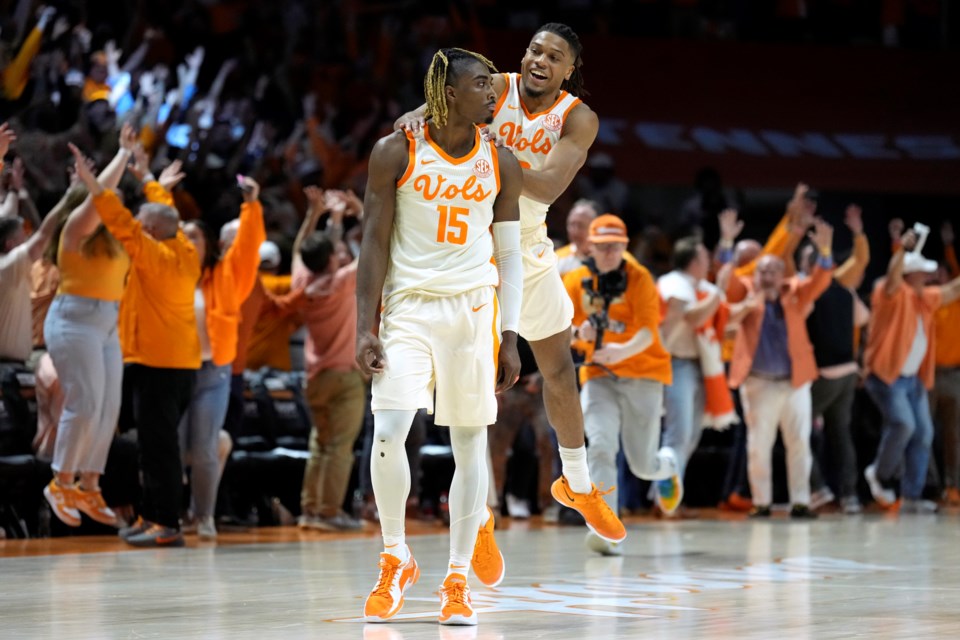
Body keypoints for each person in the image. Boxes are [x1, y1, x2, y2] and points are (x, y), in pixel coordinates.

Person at [396, 22, 626, 548]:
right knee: (473, 385)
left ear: (571, 69)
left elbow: (546, 184)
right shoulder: (492, 87)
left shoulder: (578, 118)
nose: (539, 60)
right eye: (534, 49)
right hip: (473, 243)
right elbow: (416, 119)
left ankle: (578, 484)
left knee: (559, 369)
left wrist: (492, 150)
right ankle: (477, 514)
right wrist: (417, 117)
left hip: (528, 241)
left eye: (554, 55)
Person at [357, 48, 523, 626]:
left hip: (474, 309)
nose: (493, 94)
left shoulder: (502, 161)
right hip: (406, 308)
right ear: (449, 92)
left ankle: (457, 577)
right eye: (481, 84)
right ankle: (395, 556)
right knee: (390, 429)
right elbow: (373, 242)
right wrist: (363, 324)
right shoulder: (395, 151)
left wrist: (511, 332)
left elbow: (510, 255)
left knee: (469, 442)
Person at [70, 142, 201, 548]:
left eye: (145, 223)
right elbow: (161, 213)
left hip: (158, 364)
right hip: (175, 363)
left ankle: (166, 524)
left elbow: (123, 222)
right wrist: (148, 178)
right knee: (152, 445)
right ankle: (151, 516)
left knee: (159, 448)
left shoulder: (155, 255)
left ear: (153, 231)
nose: (140, 225)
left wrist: (94, 185)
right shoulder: (182, 247)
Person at [563, 214, 678, 554]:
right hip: (599, 377)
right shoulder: (574, 280)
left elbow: (648, 331)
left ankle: (667, 465)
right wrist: (574, 334)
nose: (610, 253)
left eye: (616, 247)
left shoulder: (640, 278)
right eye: (602, 247)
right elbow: (555, 327)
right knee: (599, 446)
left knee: (642, 464)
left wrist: (620, 351)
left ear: (626, 247)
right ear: (590, 247)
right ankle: (605, 531)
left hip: (643, 373)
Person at [41, 125, 136, 529]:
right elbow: (99, 199)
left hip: (107, 323)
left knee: (109, 407)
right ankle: (61, 481)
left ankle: (90, 485)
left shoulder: (114, 241)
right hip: (73, 319)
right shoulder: (74, 232)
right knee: (85, 402)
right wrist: (122, 156)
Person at [727, 218, 834, 519]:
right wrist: (726, 244)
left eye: (774, 270)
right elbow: (726, 282)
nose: (768, 276)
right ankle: (761, 503)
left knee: (799, 442)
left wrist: (824, 248)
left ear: (783, 273)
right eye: (762, 270)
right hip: (759, 383)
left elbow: (821, 280)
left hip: (794, 382)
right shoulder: (747, 294)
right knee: (759, 445)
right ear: (756, 274)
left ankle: (800, 502)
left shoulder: (795, 292)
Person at [178, 174, 265, 540]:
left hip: (214, 372)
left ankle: (204, 516)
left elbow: (246, 248)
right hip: (175, 370)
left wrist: (251, 205)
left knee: (203, 449)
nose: (186, 240)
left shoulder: (224, 275)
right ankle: (173, 513)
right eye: (181, 235)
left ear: (208, 243)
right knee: (177, 449)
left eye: (193, 235)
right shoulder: (173, 274)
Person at [862, 225, 960, 513]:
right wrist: (901, 252)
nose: (929, 276)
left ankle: (912, 498)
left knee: (923, 434)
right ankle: (878, 474)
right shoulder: (890, 292)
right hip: (887, 377)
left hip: (913, 380)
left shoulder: (923, 297)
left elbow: (953, 290)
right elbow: (892, 278)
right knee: (903, 425)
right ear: (910, 275)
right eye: (923, 272)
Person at [293, 185, 365, 532]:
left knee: (319, 444)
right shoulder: (341, 283)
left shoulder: (303, 281)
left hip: (313, 377)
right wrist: (361, 212)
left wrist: (319, 215)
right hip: (344, 378)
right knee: (339, 447)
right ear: (332, 259)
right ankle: (329, 512)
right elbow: (373, 246)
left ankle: (310, 509)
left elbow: (302, 248)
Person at [798, 204, 871, 514]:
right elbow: (864, 319)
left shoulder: (809, 293)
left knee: (797, 429)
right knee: (840, 435)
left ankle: (817, 488)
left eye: (804, 263)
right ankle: (850, 496)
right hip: (849, 373)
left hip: (825, 374)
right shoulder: (846, 290)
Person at [657, 235, 731, 515]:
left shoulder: (699, 286)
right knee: (679, 434)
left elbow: (721, 316)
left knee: (690, 437)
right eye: (704, 258)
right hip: (676, 364)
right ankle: (666, 503)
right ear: (693, 261)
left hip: (698, 365)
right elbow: (695, 318)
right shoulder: (674, 283)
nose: (709, 262)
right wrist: (720, 291)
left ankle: (665, 497)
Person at [1, 123, 60, 365]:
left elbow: (8, 217)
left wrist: (15, 191)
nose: (28, 237)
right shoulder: (10, 264)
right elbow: (44, 232)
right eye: (23, 236)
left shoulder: (16, 262)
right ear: (10, 243)